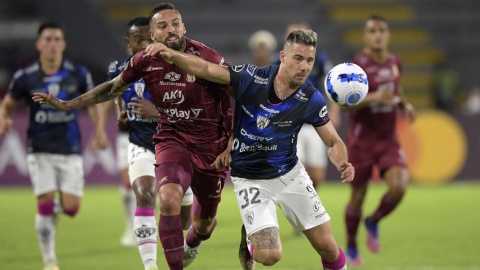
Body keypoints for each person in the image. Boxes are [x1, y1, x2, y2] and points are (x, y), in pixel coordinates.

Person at [33, 3, 233, 270]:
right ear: (152, 34)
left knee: (203, 224)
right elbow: (113, 88)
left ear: (184, 27)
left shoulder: (209, 56)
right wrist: (68, 104)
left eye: (175, 23)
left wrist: (231, 141)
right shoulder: (145, 61)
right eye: (162, 26)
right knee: (168, 198)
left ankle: (194, 241)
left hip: (210, 146)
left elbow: (237, 94)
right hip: (172, 139)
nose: (170, 30)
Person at [143, 29, 354, 270]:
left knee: (327, 246)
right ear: (283, 56)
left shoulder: (310, 98)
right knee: (270, 256)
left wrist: (342, 163)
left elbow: (333, 141)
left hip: (290, 174)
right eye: (298, 58)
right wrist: (171, 54)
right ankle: (251, 239)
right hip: (251, 179)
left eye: (309, 60)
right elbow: (205, 69)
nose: (304, 66)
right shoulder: (252, 78)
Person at [0, 21, 108, 270]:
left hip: (70, 148)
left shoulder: (78, 73)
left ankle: (56, 209)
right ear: (39, 44)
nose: (52, 44)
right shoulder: (25, 75)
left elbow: (94, 101)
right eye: (47, 39)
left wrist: (100, 130)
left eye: (57, 39)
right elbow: (8, 103)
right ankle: (50, 260)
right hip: (39, 147)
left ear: (64, 44)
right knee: (45, 203)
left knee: (71, 208)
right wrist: (4, 118)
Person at [102, 16, 194, 269]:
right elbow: (115, 92)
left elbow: (194, 112)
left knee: (183, 217)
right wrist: (122, 113)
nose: (143, 44)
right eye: (137, 40)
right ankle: (150, 266)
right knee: (144, 196)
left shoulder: (177, 66)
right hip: (141, 144)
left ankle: (190, 232)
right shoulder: (118, 68)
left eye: (147, 38)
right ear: (128, 41)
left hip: (175, 145)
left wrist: (157, 112)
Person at [343, 16, 416, 265]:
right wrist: (373, 97)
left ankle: (372, 221)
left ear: (388, 34)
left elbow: (396, 88)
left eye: (381, 30)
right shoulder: (356, 66)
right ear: (365, 36)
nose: (377, 35)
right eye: (372, 31)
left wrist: (405, 105)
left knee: (399, 187)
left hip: (388, 139)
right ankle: (352, 246)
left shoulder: (396, 61)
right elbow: (343, 104)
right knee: (358, 197)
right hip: (362, 141)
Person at [276, 21, 340, 193]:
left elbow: (331, 81)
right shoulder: (277, 61)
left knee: (317, 178)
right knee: (297, 173)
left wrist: (333, 109)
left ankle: (307, 205)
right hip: (290, 125)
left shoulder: (320, 58)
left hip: (314, 123)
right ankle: (300, 208)